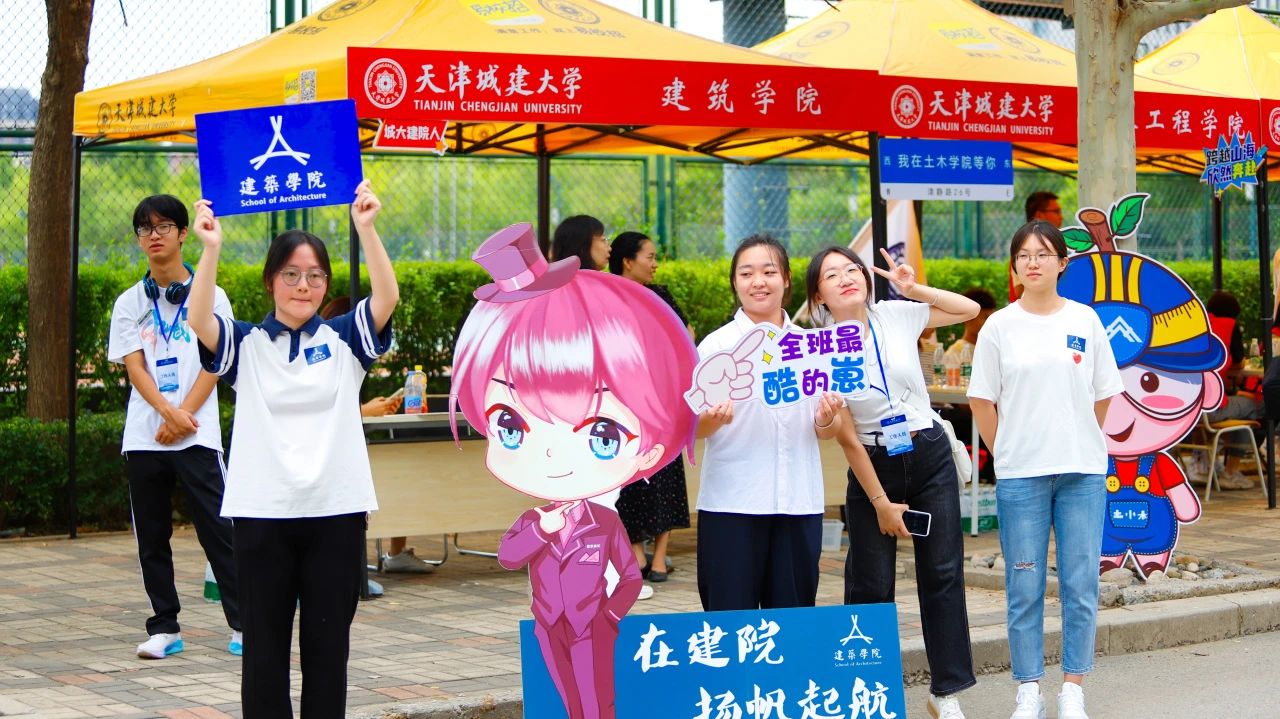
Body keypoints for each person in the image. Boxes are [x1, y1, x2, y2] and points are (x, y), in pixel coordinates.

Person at [450, 222, 698, 719]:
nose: (551, 454)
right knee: (566, 699)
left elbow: (628, 578)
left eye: (602, 433)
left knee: (596, 699)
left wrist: (608, 615)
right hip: (549, 626)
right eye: (511, 424)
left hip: (592, 626)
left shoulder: (603, 522)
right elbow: (509, 555)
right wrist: (540, 529)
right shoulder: (538, 519)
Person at [188, 180, 398, 718]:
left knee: (328, 652)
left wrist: (367, 229)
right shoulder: (247, 345)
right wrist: (210, 248)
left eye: (315, 275)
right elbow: (199, 320)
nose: (303, 285)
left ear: (325, 283)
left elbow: (386, 299)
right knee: (263, 652)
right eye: (291, 274)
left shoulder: (345, 340)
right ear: (270, 281)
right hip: (262, 515)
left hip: (336, 514)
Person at [806, 245, 980, 719]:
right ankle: (867, 692)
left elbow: (969, 309)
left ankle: (946, 692)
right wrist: (881, 502)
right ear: (818, 295)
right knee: (870, 581)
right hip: (871, 461)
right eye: (831, 275)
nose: (846, 278)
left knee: (942, 572)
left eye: (852, 269)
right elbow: (842, 436)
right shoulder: (818, 349)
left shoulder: (896, 314)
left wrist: (912, 287)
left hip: (928, 452)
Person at [968, 221, 1124, 719]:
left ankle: (1072, 687)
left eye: (1042, 254)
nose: (1032, 262)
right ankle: (1029, 689)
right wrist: (1007, 452)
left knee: (1080, 583)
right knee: (1024, 586)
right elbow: (981, 400)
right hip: (1021, 477)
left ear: (1062, 263)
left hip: (1081, 473)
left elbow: (1103, 394)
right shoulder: (999, 327)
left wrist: (1079, 437)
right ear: (1014, 267)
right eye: (1023, 255)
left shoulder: (1085, 320)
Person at [107, 194, 242, 660]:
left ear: (184, 234)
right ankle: (164, 628)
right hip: (146, 435)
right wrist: (168, 413)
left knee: (220, 530)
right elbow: (135, 367)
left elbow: (215, 362)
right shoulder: (129, 303)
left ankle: (244, 625)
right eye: (145, 229)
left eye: (164, 226)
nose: (154, 235)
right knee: (151, 537)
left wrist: (184, 415)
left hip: (197, 433)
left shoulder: (212, 295)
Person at [691, 235, 844, 612]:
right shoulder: (715, 347)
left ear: (786, 279)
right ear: (735, 282)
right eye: (747, 273)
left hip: (798, 501)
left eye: (768, 272)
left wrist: (827, 419)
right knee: (730, 622)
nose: (758, 282)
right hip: (733, 504)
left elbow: (827, 430)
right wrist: (710, 420)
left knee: (792, 620)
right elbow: (691, 428)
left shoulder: (811, 347)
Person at [608, 231, 693, 586]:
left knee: (657, 470)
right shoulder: (615, 297)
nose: (655, 264)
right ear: (628, 261)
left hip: (646, 399)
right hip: (639, 400)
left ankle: (648, 557)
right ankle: (648, 556)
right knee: (644, 471)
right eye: (650, 257)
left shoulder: (648, 296)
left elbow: (686, 335)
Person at [319, 296, 425, 574]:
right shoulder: (324, 357)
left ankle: (395, 553)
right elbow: (317, 413)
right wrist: (364, 411)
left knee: (400, 478)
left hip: (355, 449)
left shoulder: (351, 359)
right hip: (330, 463)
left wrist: (373, 409)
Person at [1205, 289, 1263, 489]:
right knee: (1254, 405)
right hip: (1212, 408)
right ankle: (1231, 471)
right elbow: (1238, 361)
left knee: (1240, 402)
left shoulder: (1198, 323)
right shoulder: (1229, 326)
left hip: (1190, 410)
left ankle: (1203, 461)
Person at [944, 288, 997, 364]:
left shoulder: (994, 351)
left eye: (992, 318)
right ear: (968, 318)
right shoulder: (953, 355)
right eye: (986, 318)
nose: (991, 323)